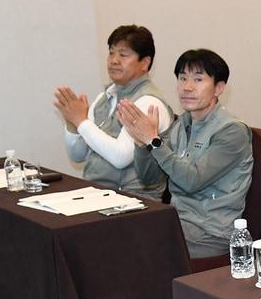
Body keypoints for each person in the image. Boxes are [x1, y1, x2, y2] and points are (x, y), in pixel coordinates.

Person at [121, 49, 253, 258]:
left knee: (133, 247)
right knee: (116, 234)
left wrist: (153, 142)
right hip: (178, 223)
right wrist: (141, 143)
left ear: (219, 88)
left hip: (210, 233)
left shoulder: (231, 130)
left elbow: (193, 180)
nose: (187, 87)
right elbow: (149, 179)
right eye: (182, 78)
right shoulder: (181, 124)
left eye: (198, 79)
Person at [54, 24, 174, 201]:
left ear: (145, 63)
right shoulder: (105, 97)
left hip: (130, 200)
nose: (114, 60)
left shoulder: (148, 101)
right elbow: (78, 155)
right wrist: (72, 124)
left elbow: (120, 157)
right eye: (111, 53)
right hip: (97, 193)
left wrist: (81, 122)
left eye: (123, 55)